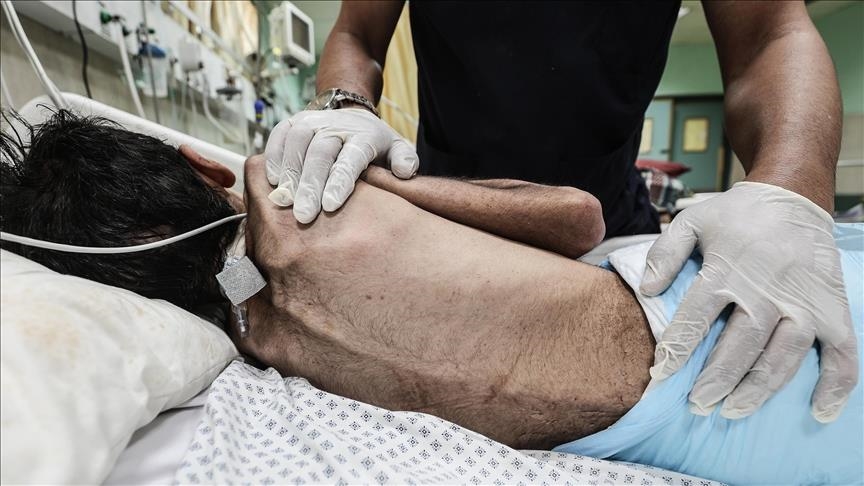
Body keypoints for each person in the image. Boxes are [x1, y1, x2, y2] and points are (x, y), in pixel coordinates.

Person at [1, 111, 861, 484]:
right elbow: (578, 216)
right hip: (727, 327)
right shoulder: (311, 202)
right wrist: (384, 179)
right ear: (204, 165)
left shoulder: (246, 347)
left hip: (704, 437)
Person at [263, 0, 857, 424]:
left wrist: (791, 189)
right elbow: (358, 33)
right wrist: (345, 105)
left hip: (616, 232)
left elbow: (770, 36)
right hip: (450, 214)